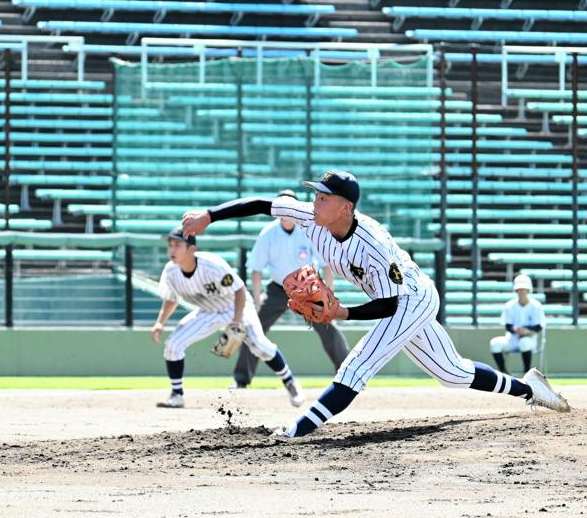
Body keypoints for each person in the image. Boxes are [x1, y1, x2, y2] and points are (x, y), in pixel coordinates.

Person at [182, 169, 570, 437]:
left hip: (410, 299)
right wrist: (209, 216)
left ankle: (298, 429)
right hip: (390, 299)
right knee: (452, 372)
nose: (314, 200)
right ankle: (529, 389)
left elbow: (389, 304)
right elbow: (266, 205)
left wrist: (342, 312)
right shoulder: (312, 218)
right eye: (316, 194)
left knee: (358, 364)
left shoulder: (373, 246)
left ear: (345, 207)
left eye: (324, 196)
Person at [150, 227, 304, 409]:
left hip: (236, 306)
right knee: (173, 345)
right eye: (170, 245)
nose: (172, 249)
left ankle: (290, 381)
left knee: (259, 345)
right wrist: (160, 322)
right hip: (208, 311)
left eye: (177, 245)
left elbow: (239, 290)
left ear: (191, 249)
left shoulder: (212, 265)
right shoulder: (170, 272)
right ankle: (177, 395)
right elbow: (171, 298)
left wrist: (236, 321)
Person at [232, 189, 350, 389]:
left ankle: (348, 373)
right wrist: (258, 298)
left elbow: (325, 264)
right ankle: (241, 379)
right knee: (254, 328)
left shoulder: (309, 230)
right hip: (277, 289)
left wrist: (329, 290)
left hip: (307, 289)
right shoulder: (267, 234)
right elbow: (256, 269)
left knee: (328, 326)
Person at [490, 274, 545, 375]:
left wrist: (526, 331)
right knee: (495, 343)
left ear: (528, 290)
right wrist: (516, 330)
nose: (521, 292)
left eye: (524, 289)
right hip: (512, 339)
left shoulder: (536, 305)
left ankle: (527, 373)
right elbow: (507, 325)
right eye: (519, 289)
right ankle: (504, 373)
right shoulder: (509, 305)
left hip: (530, 339)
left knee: (524, 342)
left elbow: (539, 326)